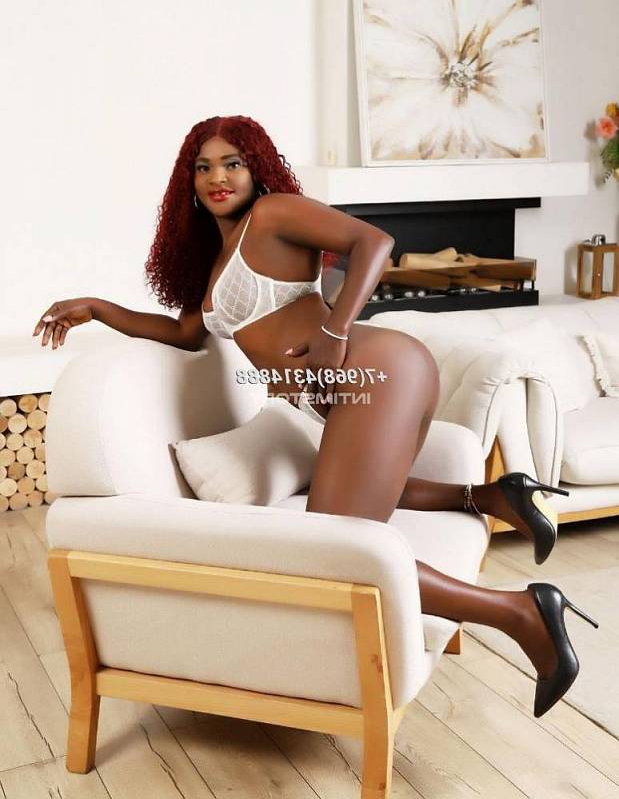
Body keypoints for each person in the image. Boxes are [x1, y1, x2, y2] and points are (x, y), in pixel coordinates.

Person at [32, 114, 598, 718]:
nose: (218, 177)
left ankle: (521, 613)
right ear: (187, 182)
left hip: (375, 369)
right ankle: (495, 497)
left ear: (256, 167)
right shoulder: (217, 261)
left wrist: (335, 330)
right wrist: (96, 307)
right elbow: (183, 333)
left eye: (232, 163)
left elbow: (373, 242)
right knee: (353, 500)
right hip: (374, 378)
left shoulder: (272, 214)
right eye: (204, 167)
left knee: (336, 549)